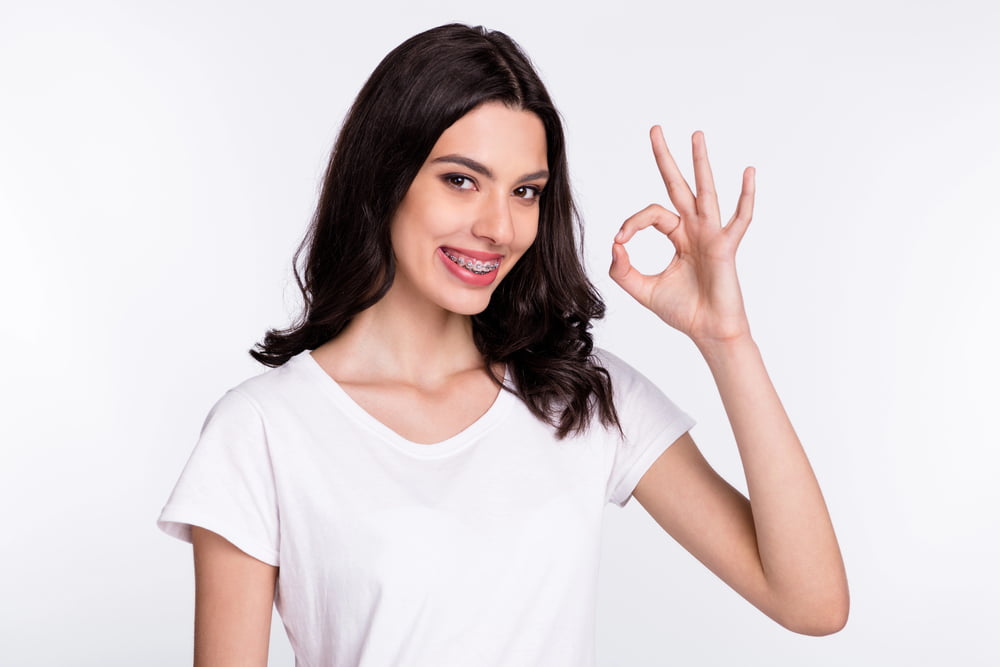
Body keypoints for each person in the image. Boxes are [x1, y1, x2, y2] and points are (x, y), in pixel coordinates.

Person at [158, 23, 848, 667]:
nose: (498, 226)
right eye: (461, 180)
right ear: (384, 180)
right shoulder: (263, 429)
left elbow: (811, 601)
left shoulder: (580, 394)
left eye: (525, 191)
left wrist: (725, 339)